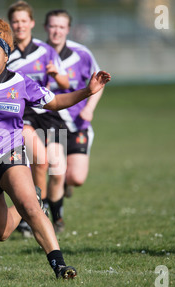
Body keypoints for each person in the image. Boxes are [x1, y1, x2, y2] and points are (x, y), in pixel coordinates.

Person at [0, 18, 110, 279]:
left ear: (6, 56)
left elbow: (56, 101)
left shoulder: (20, 82)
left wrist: (87, 91)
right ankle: (35, 197)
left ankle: (59, 265)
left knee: (31, 208)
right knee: (1, 233)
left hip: (10, 152)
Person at [6, 0, 69, 236]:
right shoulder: (6, 54)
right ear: (11, 24)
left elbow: (65, 83)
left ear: (32, 23)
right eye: (15, 21)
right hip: (23, 115)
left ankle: (53, 213)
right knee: (40, 161)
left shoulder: (46, 50)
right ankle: (32, 214)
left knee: (58, 169)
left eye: (24, 21)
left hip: (49, 112)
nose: (20, 25)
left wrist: (55, 74)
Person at [43, 10, 105, 232]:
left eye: (61, 26)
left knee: (76, 177)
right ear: (45, 28)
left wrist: (89, 109)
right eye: (52, 26)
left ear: (68, 29)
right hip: (50, 123)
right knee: (56, 171)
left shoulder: (82, 54)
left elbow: (99, 82)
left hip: (78, 123)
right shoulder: (39, 54)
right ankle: (56, 219)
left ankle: (67, 186)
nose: (56, 30)